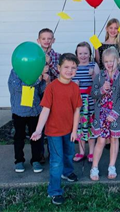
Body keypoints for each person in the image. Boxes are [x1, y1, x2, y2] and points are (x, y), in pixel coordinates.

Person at [31, 53, 82, 206]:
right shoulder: (52, 88)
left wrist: (75, 130)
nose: (70, 70)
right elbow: (45, 110)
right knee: (56, 161)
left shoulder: (75, 88)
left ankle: (67, 172)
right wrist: (38, 130)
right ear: (59, 68)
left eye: (73, 68)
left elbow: (77, 110)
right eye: (66, 67)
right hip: (54, 132)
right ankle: (54, 191)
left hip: (69, 130)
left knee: (69, 153)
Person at [90, 47, 120, 181]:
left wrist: (115, 113)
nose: (109, 64)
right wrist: (101, 90)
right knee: (101, 140)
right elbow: (93, 94)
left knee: (114, 140)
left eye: (112, 61)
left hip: (114, 116)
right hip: (101, 115)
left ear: (118, 60)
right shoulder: (99, 76)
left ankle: (112, 166)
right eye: (106, 61)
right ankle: (94, 167)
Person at [8, 68, 47, 174]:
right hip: (20, 111)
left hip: (34, 110)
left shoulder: (36, 70)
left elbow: (40, 90)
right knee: (19, 137)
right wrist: (37, 80)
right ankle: (19, 160)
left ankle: (36, 160)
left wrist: (44, 80)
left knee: (36, 136)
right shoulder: (16, 71)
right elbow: (18, 87)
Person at [73, 42, 100, 163]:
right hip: (78, 101)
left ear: (90, 54)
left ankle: (91, 152)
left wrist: (93, 75)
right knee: (79, 126)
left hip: (90, 101)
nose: (83, 56)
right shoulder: (74, 66)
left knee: (90, 125)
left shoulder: (94, 65)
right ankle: (81, 151)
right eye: (80, 53)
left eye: (85, 53)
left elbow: (99, 83)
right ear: (76, 54)